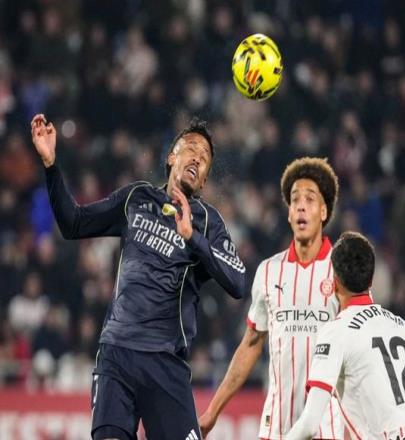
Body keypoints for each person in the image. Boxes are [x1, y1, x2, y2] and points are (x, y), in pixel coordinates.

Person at [30, 114, 246, 440]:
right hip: (117, 352)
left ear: (204, 181)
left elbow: (238, 283)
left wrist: (193, 238)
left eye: (205, 159)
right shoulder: (137, 197)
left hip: (165, 362)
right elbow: (73, 223)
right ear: (171, 157)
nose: (197, 158)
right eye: (191, 148)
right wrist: (51, 166)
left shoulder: (208, 222)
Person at [200, 157, 344, 439]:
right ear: (288, 213)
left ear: (324, 211)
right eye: (295, 199)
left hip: (327, 428)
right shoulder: (269, 271)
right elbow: (251, 344)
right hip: (276, 426)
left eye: (310, 199)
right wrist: (212, 411)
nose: (300, 206)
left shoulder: (343, 271)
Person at [287, 232, 405, 440]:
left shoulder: (336, 333)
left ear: (334, 282)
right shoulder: (403, 327)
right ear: (371, 280)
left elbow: (309, 426)